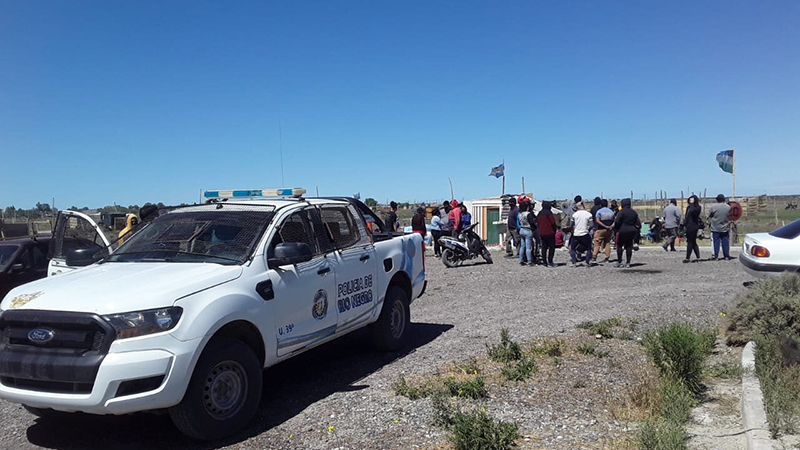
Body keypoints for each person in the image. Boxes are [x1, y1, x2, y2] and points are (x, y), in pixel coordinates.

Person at [613, 198, 641, 268]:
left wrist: (616, 229)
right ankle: (628, 262)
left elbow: (617, 222)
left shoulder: (621, 212)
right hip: (631, 230)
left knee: (619, 246)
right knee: (629, 246)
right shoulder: (633, 212)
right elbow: (638, 223)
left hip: (622, 230)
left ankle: (620, 262)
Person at [708, 194, 732, 260]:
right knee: (725, 242)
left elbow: (710, 215)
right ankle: (726, 255)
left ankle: (716, 255)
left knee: (716, 242)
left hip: (715, 227)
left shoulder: (714, 207)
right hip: (724, 227)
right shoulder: (728, 207)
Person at [570, 203, 593, 267]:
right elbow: (591, 225)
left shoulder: (574, 215)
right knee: (588, 248)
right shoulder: (588, 214)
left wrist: (572, 230)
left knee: (573, 248)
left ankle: (574, 262)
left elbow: (571, 225)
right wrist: (588, 229)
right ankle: (587, 262)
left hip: (576, 234)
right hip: (585, 233)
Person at [537, 201, 558, 267]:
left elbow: (537, 222)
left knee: (544, 247)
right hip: (550, 232)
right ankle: (550, 261)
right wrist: (555, 230)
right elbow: (553, 223)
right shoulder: (549, 213)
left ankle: (544, 262)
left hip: (542, 233)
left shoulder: (540, 213)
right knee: (551, 247)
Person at [592, 199, 614, 263]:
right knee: (607, 243)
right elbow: (614, 220)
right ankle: (607, 257)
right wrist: (611, 226)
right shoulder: (611, 211)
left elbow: (597, 220)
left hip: (601, 229)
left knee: (597, 243)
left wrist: (604, 226)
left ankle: (594, 257)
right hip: (609, 230)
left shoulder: (599, 211)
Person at [683, 195, 703, 263]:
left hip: (694, 226)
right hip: (688, 226)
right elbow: (686, 216)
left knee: (690, 242)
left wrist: (692, 205)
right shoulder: (688, 208)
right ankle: (698, 257)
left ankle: (687, 258)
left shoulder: (698, 207)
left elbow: (694, 213)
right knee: (693, 242)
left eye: (692, 200)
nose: (690, 201)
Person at [517, 201, 536, 266]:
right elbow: (532, 222)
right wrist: (534, 227)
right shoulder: (528, 214)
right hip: (528, 230)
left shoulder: (520, 214)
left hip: (522, 229)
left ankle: (521, 260)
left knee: (522, 246)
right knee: (528, 247)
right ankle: (529, 261)